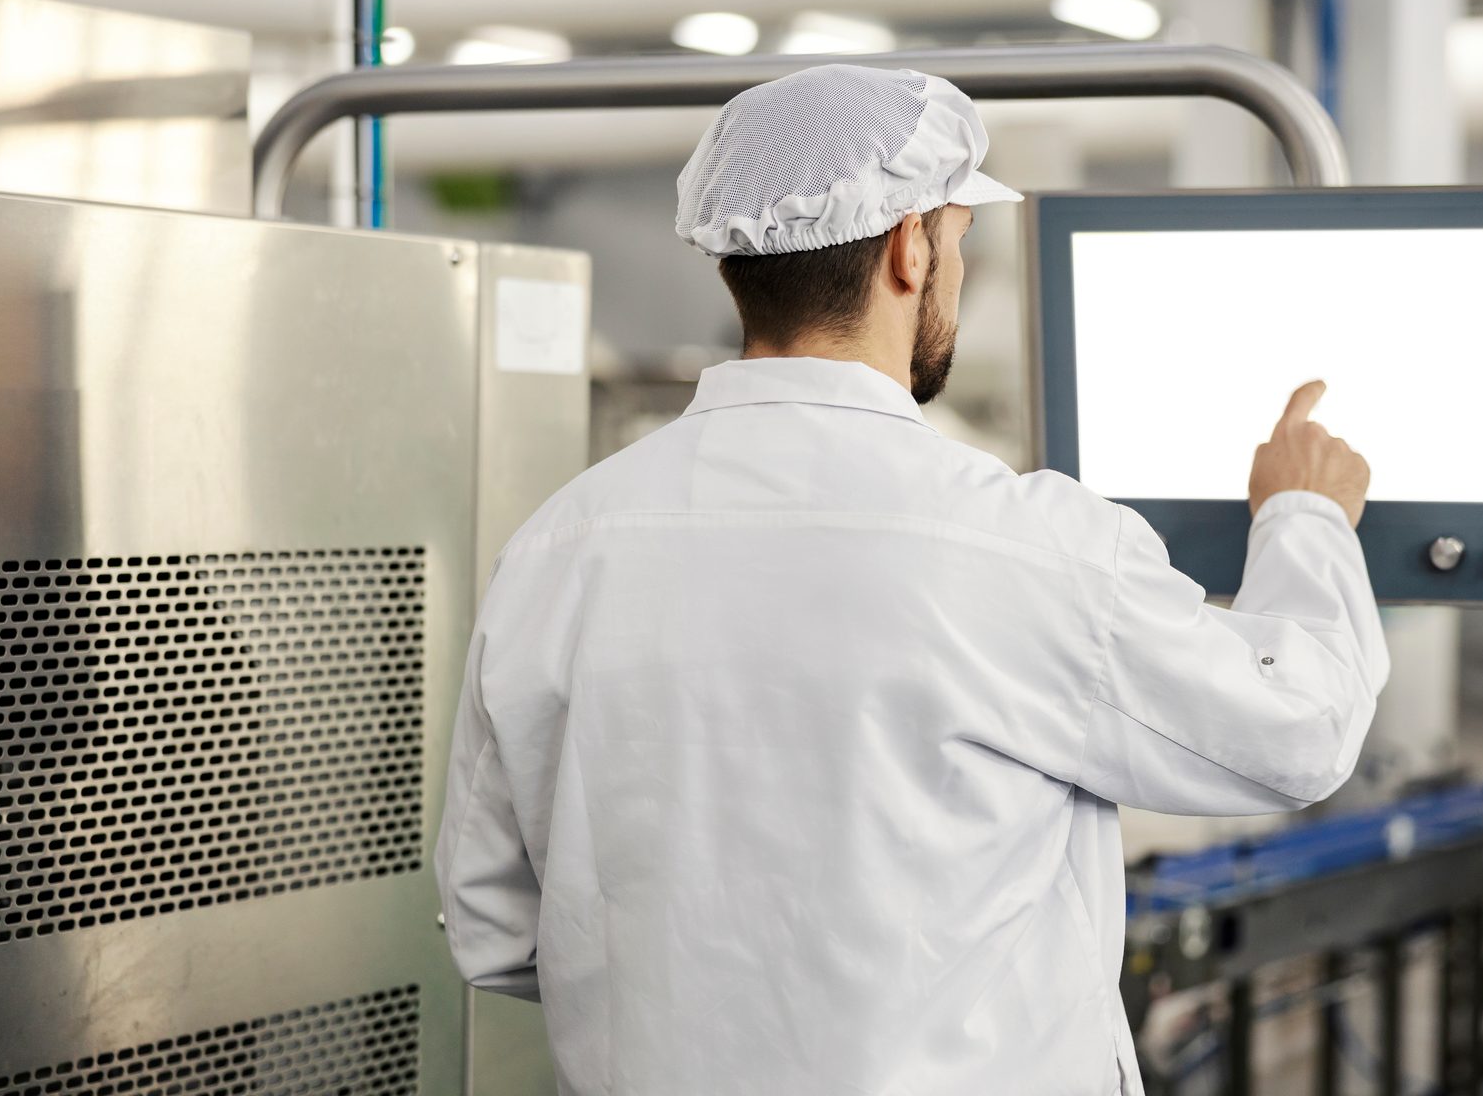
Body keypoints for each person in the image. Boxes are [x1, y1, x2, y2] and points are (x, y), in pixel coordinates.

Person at [436, 63, 1388, 1095]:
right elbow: (1299, 729)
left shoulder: (557, 546)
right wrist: (1305, 516)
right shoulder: (1023, 543)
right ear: (907, 249)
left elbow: (491, 923)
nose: (958, 272)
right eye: (961, 239)